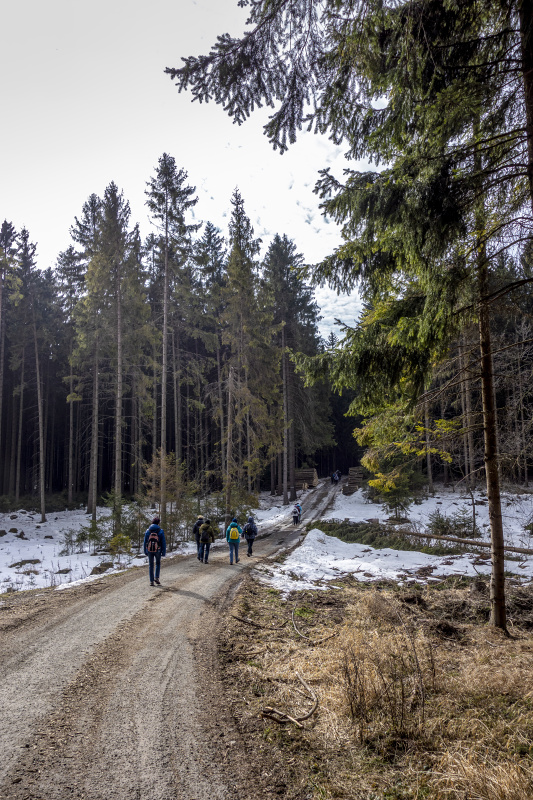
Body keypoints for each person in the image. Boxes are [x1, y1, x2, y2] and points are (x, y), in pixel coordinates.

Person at [143, 516, 166, 586]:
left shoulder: (148, 531)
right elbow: (163, 542)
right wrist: (163, 552)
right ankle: (156, 577)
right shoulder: (160, 531)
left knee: (151, 565)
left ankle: (151, 581)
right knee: (158, 563)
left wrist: (145, 550)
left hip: (149, 550)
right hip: (158, 549)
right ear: (158, 523)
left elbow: (145, 542)